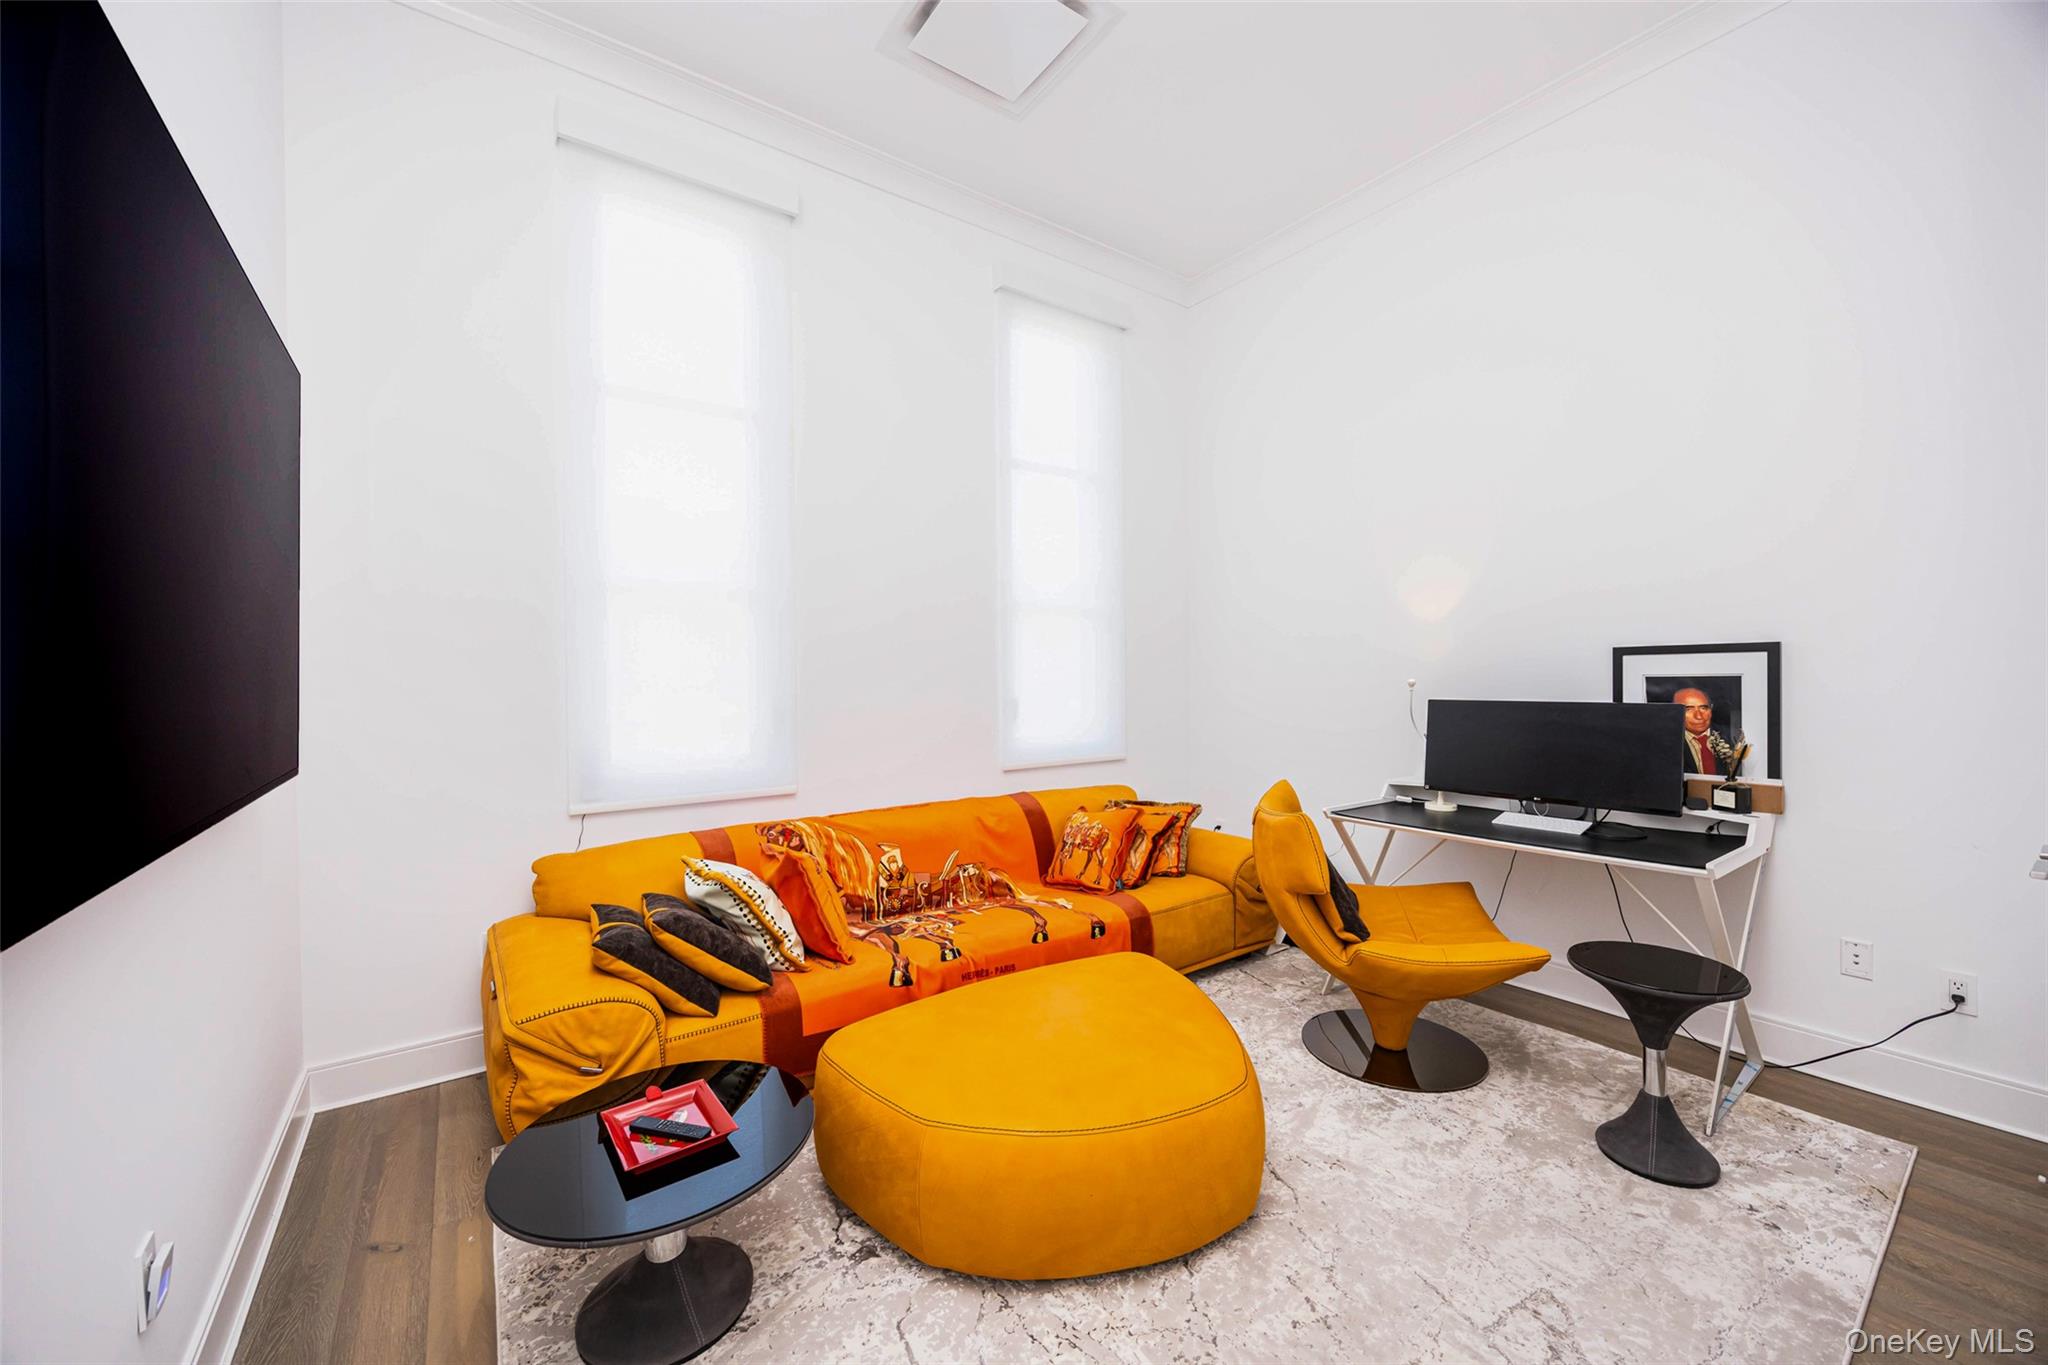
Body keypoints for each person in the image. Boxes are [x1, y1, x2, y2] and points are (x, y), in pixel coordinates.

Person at [1673, 687, 1727, 774]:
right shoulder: (1668, 744)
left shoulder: (1730, 738)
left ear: (1711, 708)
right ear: (1674, 712)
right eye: (1688, 709)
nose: (1698, 716)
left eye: (1703, 708)